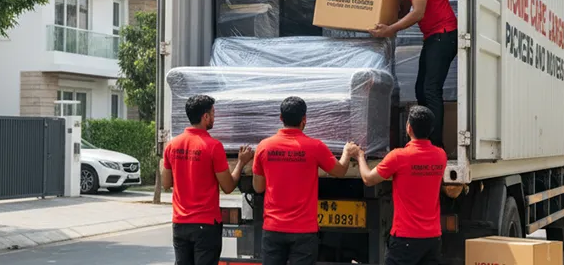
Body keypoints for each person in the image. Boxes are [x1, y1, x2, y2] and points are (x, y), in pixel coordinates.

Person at [369, 0, 458, 147]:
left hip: (444, 35)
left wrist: (390, 29)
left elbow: (417, 13)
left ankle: (435, 145)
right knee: (420, 89)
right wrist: (382, 21)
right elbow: (403, 8)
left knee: (430, 89)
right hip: (433, 36)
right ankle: (424, 139)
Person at [252, 96, 359, 265]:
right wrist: (346, 152)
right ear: (304, 119)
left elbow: (258, 187)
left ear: (281, 118)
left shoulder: (264, 146)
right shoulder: (314, 146)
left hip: (273, 228)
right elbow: (339, 171)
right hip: (303, 230)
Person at [161, 94, 254, 265]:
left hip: (180, 224)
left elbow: (166, 183)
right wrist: (241, 162)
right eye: (213, 113)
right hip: (206, 225)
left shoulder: (172, 146)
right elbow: (227, 186)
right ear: (205, 117)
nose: (214, 117)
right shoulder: (212, 146)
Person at [356, 105, 447, 265]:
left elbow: (368, 179)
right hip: (433, 237)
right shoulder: (441, 156)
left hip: (405, 237)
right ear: (431, 129)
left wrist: (360, 157)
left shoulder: (399, 157)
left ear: (409, 127)